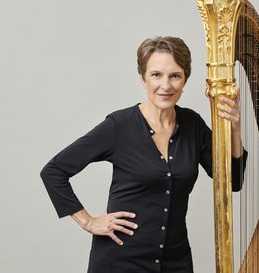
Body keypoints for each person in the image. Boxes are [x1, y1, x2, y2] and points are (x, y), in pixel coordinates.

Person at [40, 36, 247, 273]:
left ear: (185, 79)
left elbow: (233, 181)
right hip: (120, 260)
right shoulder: (119, 126)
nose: (165, 86)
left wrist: (235, 129)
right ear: (143, 78)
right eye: (156, 75)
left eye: (175, 76)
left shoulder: (193, 125)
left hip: (175, 261)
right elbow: (54, 171)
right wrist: (88, 222)